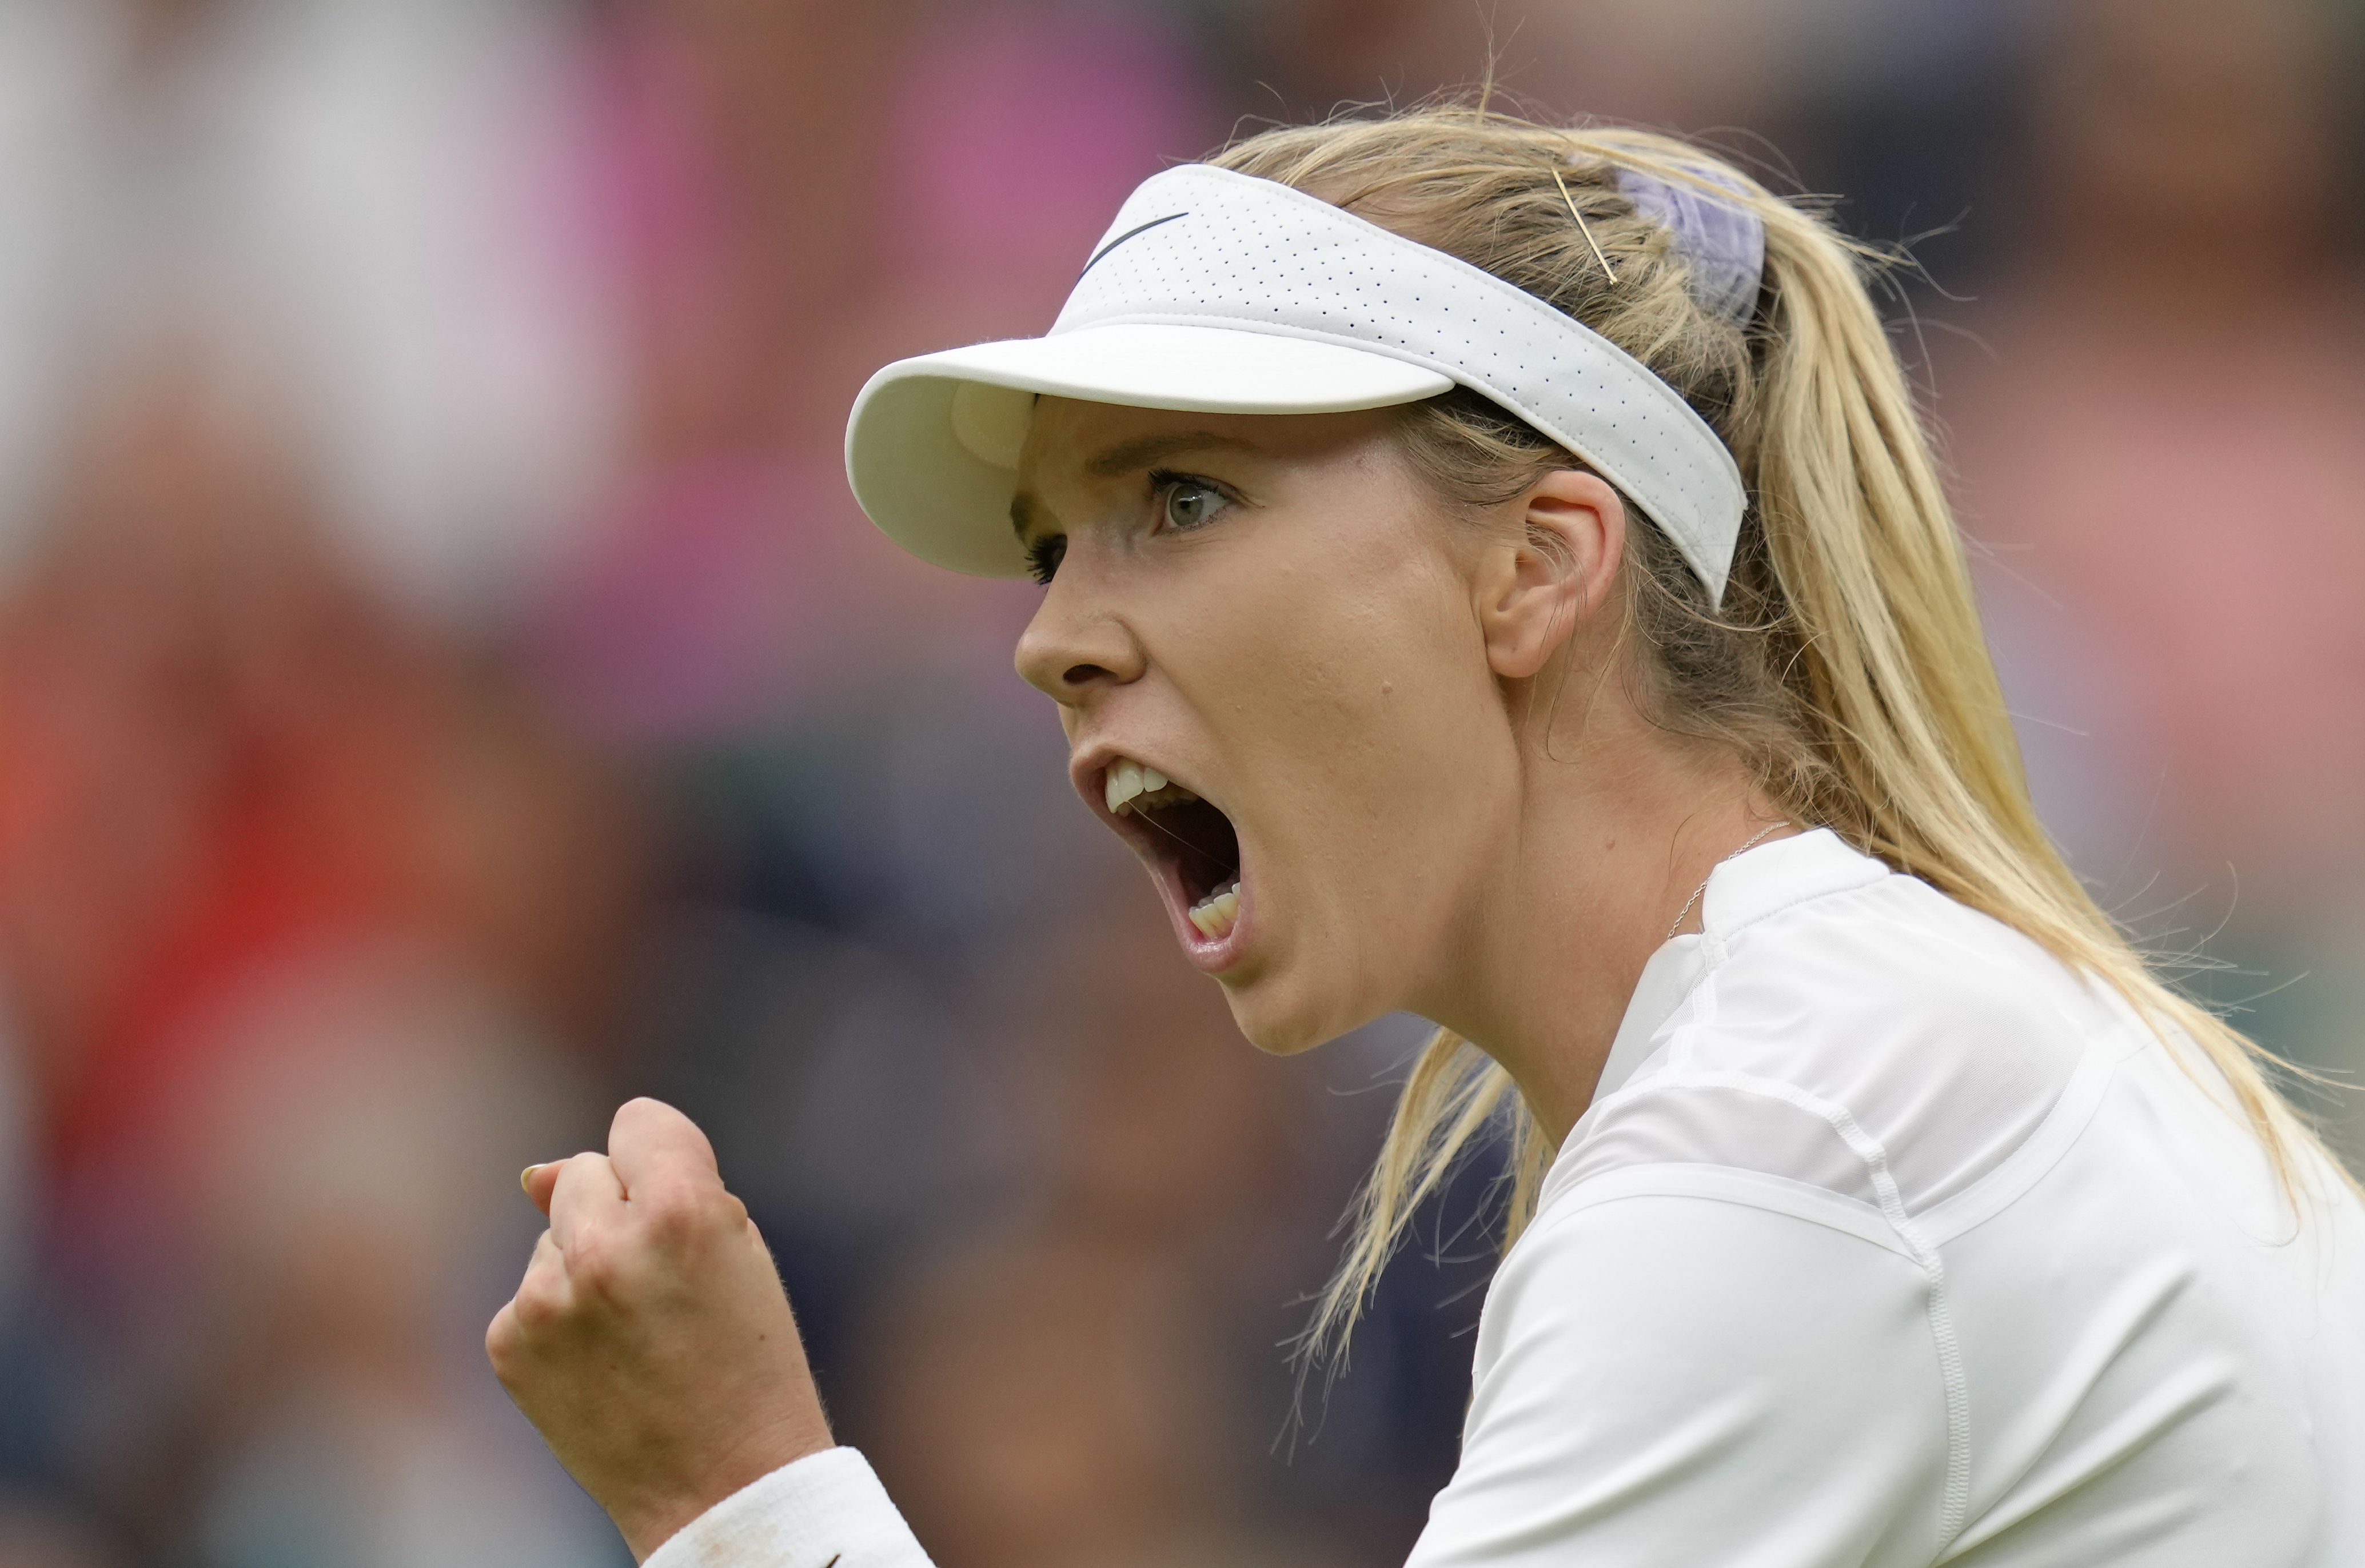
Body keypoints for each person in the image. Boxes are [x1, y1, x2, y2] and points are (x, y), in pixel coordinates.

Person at [487, 108, 2365, 1567]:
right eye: (1057, 545)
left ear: (1537, 566)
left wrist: (733, 1486)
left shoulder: (1797, 1122)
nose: (1049, 633)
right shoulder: (1832, 1061)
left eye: (1182, 498)